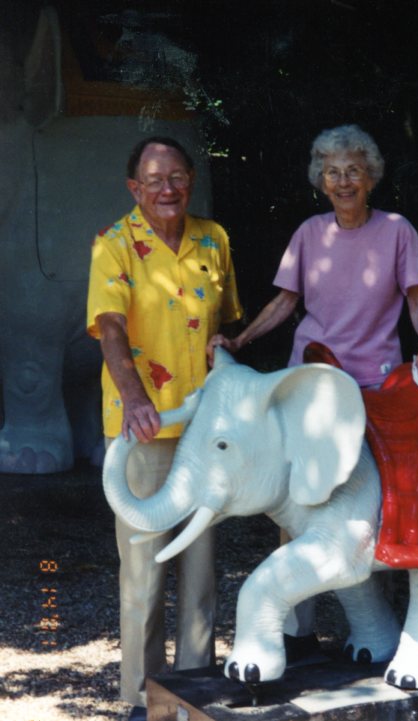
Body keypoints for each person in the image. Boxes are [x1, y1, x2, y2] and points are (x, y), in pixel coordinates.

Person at [207, 123, 418, 648]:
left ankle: (388, 567)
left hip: (370, 377)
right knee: (294, 495)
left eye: (353, 171)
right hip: (310, 377)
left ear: (370, 177)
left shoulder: (397, 230)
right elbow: (285, 304)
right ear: (320, 179)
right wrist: (240, 341)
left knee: (366, 486)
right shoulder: (309, 233)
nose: (343, 181)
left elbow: (416, 299)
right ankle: (296, 623)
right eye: (333, 172)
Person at [87, 136, 243, 721]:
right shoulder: (114, 244)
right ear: (135, 188)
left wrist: (231, 348)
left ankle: (194, 690)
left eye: (176, 176)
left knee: (201, 567)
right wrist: (134, 400)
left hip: (205, 429)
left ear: (191, 179)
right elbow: (108, 327)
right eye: (154, 180)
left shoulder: (214, 238)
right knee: (144, 571)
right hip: (142, 431)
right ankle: (139, 698)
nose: (167, 188)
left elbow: (227, 324)